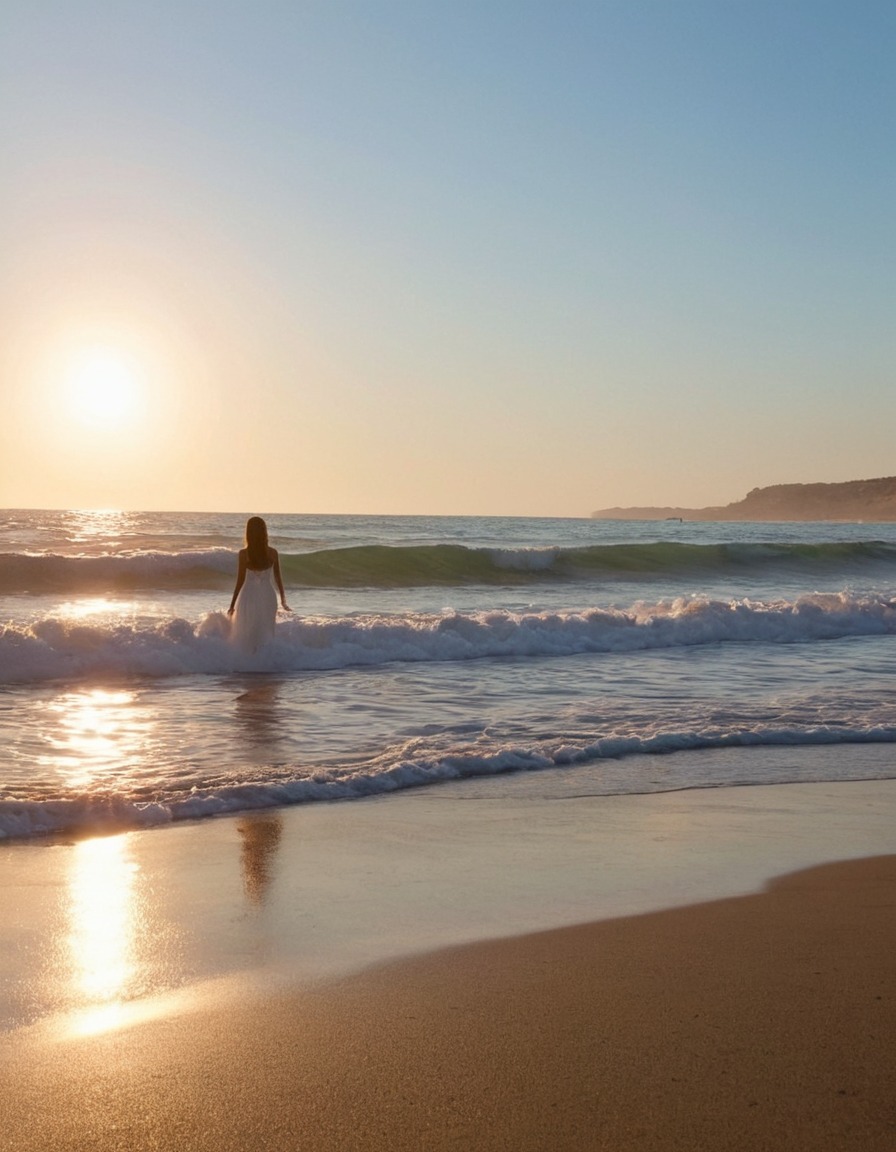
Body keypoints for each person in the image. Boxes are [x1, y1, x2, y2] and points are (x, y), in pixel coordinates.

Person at [228, 516, 290, 652]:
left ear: (248, 532)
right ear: (264, 532)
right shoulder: (272, 553)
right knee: (266, 630)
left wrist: (232, 605)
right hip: (268, 595)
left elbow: (240, 581)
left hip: (249, 595)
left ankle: (250, 662)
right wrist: (283, 601)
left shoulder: (244, 554)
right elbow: (278, 578)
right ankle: (265, 661)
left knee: (248, 630)